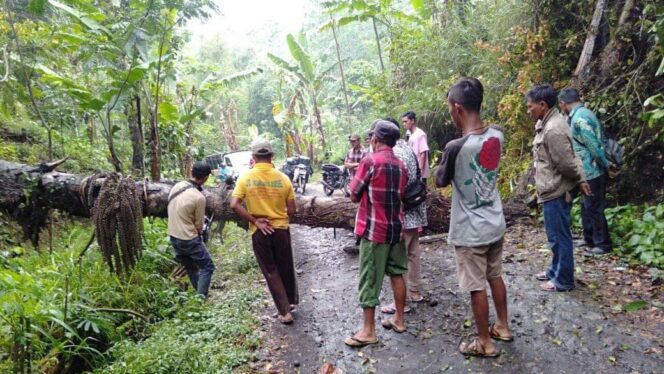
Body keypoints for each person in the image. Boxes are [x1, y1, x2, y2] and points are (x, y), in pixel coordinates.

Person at [434, 77, 512, 358]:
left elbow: (440, 180)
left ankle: (484, 343)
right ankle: (502, 326)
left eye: (449, 110)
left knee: (476, 285)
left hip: (470, 231)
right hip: (494, 222)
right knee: (495, 275)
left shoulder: (456, 146)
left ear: (457, 109)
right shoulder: (498, 135)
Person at [344, 120, 409, 348]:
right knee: (397, 273)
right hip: (396, 230)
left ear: (374, 140)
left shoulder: (369, 161)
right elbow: (400, 195)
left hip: (374, 231)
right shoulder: (401, 165)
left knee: (369, 278)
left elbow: (353, 194)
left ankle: (368, 331)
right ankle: (399, 320)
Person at [526, 84, 592, 292]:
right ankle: (555, 270)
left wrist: (580, 179)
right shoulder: (547, 123)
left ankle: (563, 279)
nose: (528, 111)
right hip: (550, 189)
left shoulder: (553, 129)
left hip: (556, 190)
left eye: (530, 107)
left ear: (542, 105)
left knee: (559, 236)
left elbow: (566, 162)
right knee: (554, 235)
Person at [229, 138, 298, 324]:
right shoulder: (283, 178)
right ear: (272, 156)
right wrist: (279, 214)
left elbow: (234, 204)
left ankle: (284, 312)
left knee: (270, 270)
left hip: (260, 231)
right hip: (281, 229)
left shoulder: (245, 177)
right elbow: (292, 210)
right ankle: (290, 302)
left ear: (253, 157)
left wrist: (255, 220)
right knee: (285, 265)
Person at [380, 117, 428, 315]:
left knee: (399, 259)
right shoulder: (406, 146)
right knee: (413, 254)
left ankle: (401, 302)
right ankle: (415, 292)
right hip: (416, 208)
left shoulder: (395, 153)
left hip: (404, 211)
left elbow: (397, 185)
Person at [558, 88, 613, 256]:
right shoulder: (579, 115)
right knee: (585, 205)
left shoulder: (580, 118)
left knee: (594, 207)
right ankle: (589, 238)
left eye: (561, 105)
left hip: (592, 170)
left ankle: (602, 244)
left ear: (564, 104)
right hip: (584, 171)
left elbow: (594, 146)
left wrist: (606, 165)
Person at [167, 161, 216, 299]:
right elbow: (199, 225)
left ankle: (199, 296)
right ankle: (201, 298)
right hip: (188, 238)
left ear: (192, 172)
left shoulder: (177, 186)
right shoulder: (199, 197)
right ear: (205, 178)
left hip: (173, 237)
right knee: (207, 267)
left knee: (191, 268)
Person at [402, 111, 430, 184]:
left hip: (419, 171)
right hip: (412, 169)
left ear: (413, 121)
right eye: (403, 122)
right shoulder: (408, 133)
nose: (404, 124)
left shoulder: (420, 134)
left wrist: (420, 171)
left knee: (421, 191)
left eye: (406, 121)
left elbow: (423, 153)